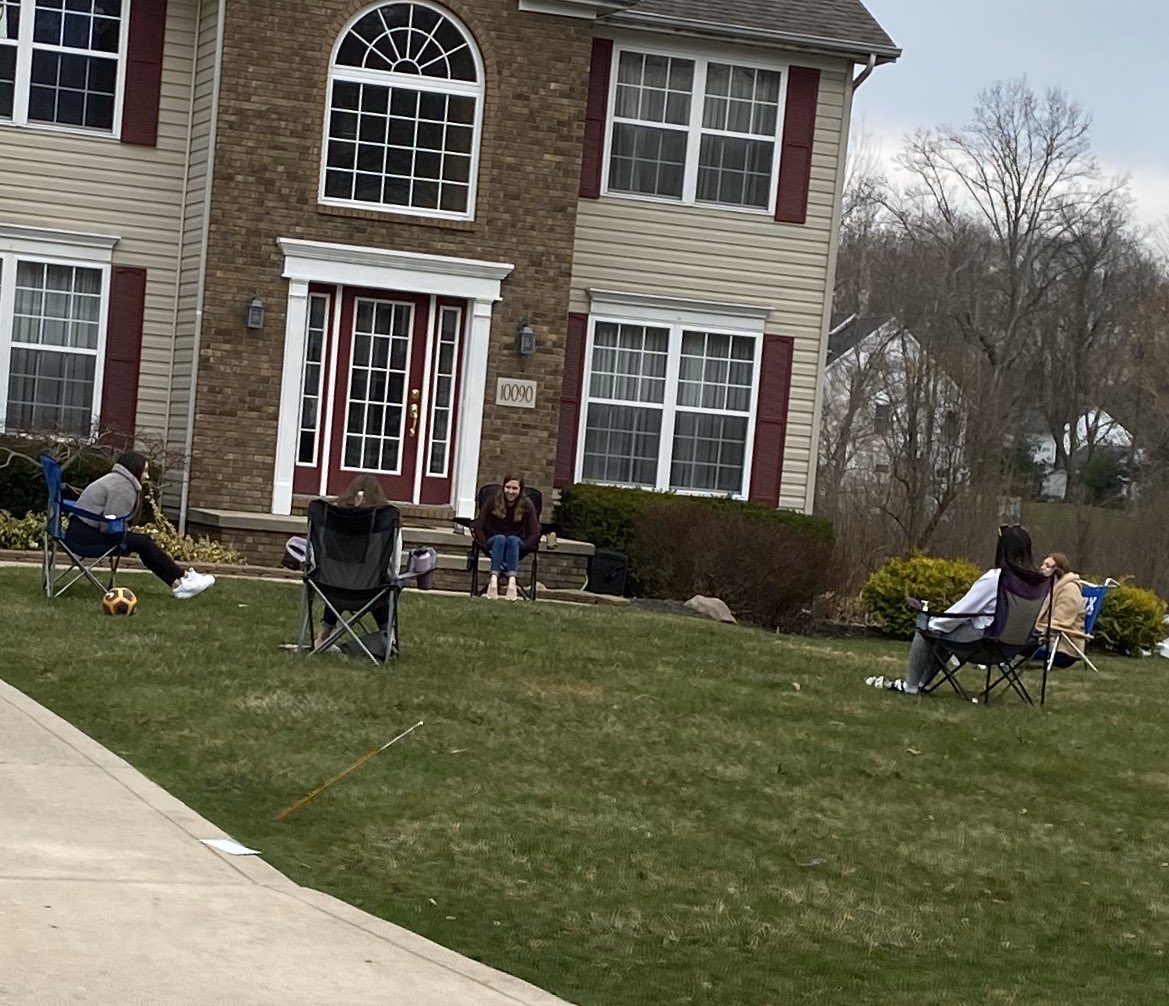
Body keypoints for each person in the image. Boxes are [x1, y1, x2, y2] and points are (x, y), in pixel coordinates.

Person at [865, 524, 1039, 695]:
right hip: (1014, 647)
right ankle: (922, 684)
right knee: (944, 631)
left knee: (927, 627)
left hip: (986, 643)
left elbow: (961, 610)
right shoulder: (1034, 583)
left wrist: (932, 622)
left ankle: (910, 686)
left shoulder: (996, 579)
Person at [65, 451, 216, 599]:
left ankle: (179, 585)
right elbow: (110, 525)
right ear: (134, 469)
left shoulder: (114, 479)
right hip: (86, 537)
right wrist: (127, 537)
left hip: (78, 532)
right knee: (144, 543)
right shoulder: (122, 486)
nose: (147, 476)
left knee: (142, 542)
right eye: (144, 471)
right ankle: (184, 577)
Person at [315, 474, 392, 648]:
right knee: (382, 583)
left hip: (333, 587)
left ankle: (323, 638)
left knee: (341, 578)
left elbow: (319, 554)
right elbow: (392, 561)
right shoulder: (386, 520)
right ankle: (387, 635)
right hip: (371, 591)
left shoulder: (333, 519)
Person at [471, 475, 539, 600]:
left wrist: (526, 546)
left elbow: (535, 532)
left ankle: (512, 582)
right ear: (503, 487)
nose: (511, 491)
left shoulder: (526, 505)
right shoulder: (492, 501)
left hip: (517, 543)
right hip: (494, 541)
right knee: (500, 539)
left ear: (520, 490)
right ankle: (494, 580)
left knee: (512, 539)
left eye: (515, 488)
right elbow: (478, 526)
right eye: (508, 487)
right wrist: (485, 544)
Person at [1032, 552, 1086, 668]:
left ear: (1058, 569)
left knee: (1017, 642)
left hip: (1064, 650)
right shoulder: (1053, 586)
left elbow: (1061, 621)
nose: (1042, 568)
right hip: (1048, 638)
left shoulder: (1069, 590)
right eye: (1043, 564)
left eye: (1047, 565)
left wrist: (1037, 630)